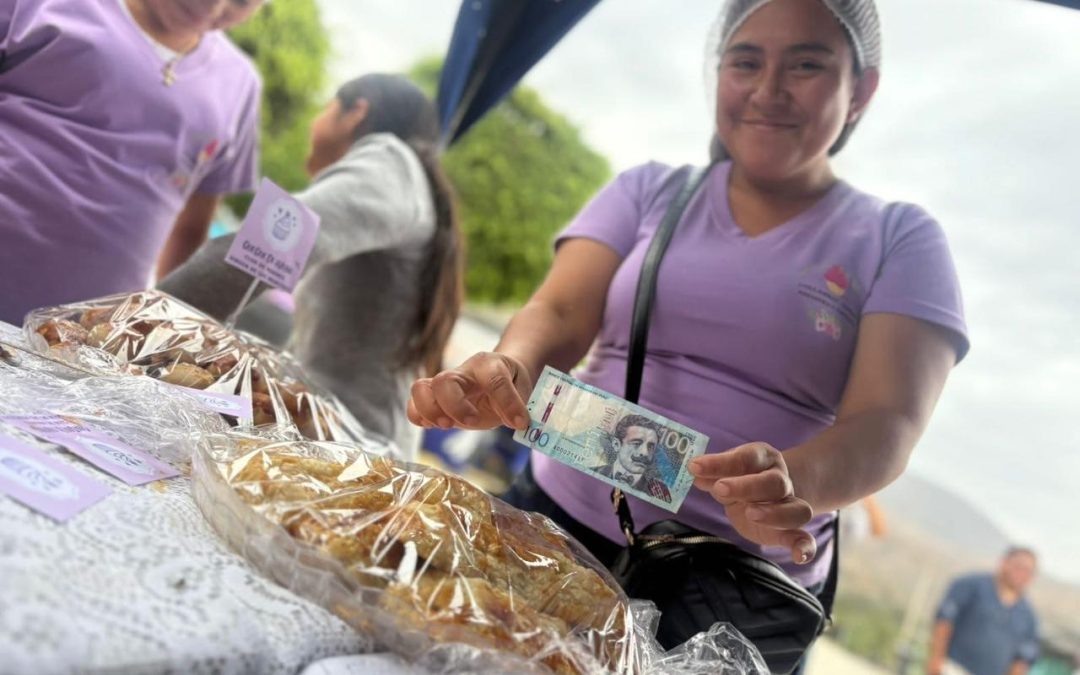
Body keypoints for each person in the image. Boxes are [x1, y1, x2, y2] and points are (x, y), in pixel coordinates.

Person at [408, 0, 969, 653]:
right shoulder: (648, 189)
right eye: (745, 61)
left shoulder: (900, 239)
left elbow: (886, 422)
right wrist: (511, 365)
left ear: (860, 90)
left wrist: (796, 479)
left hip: (730, 599)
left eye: (807, 64)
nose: (768, 89)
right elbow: (558, 313)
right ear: (718, 72)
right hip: (556, 531)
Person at [159, 74, 463, 457]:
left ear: (356, 113)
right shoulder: (409, 182)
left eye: (326, 108)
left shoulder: (390, 162)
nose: (313, 124)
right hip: (340, 437)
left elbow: (262, 245)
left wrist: (144, 320)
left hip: (351, 449)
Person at [0, 0, 264, 324]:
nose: (214, 6)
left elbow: (192, 227)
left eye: (242, 2)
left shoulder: (239, 85)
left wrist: (168, 326)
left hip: (81, 344)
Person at [928, 548, 1041, 675]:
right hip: (952, 668)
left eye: (1028, 571)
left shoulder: (1028, 617)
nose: (1022, 573)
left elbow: (1022, 659)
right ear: (1004, 563)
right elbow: (944, 621)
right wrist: (936, 659)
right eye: (1019, 566)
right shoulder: (971, 585)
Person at [594, 414, 673, 503]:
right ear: (616, 445)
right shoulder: (593, 472)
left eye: (651, 447)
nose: (645, 453)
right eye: (636, 443)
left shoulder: (661, 493)